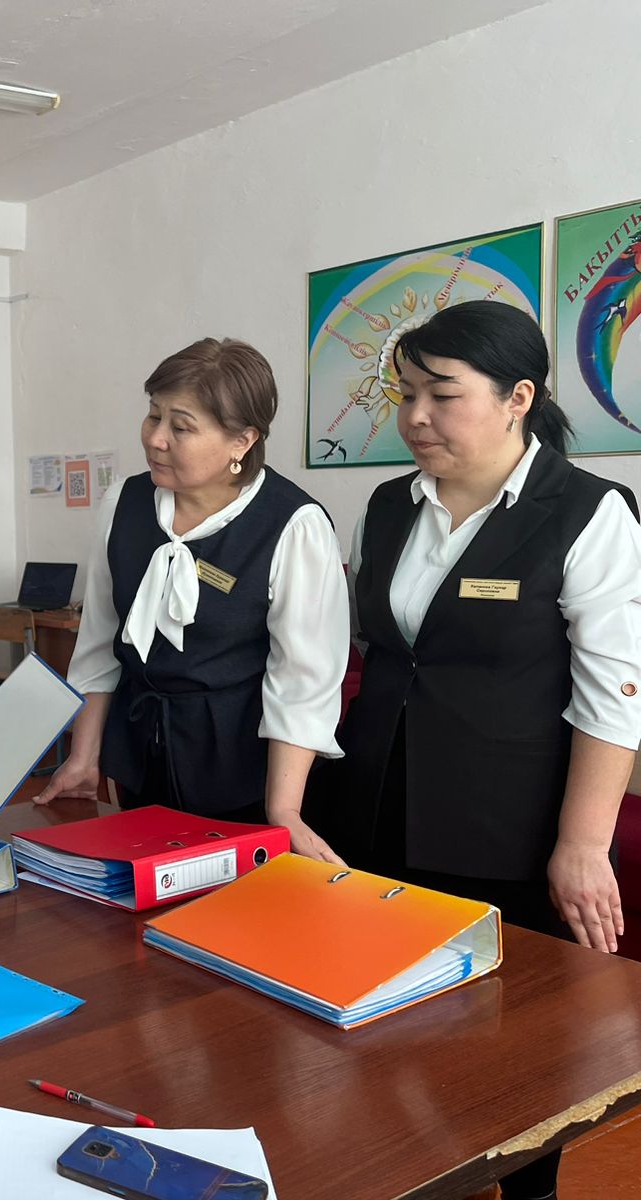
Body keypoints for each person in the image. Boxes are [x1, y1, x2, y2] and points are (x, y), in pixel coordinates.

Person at [322, 300, 641, 1199]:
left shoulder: (587, 512)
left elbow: (614, 695)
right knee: (384, 1029)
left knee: (513, 1055)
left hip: (507, 828)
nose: (415, 417)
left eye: (443, 395)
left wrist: (583, 845)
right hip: (378, 812)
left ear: (518, 398)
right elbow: (379, 652)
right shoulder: (388, 507)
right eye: (406, 394)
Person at [37, 338, 347, 860]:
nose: (156, 439)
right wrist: (84, 756)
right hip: (139, 752)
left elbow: (303, 682)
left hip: (243, 769)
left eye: (180, 427)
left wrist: (284, 811)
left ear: (242, 441)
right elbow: (99, 643)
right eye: (153, 415)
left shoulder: (293, 525)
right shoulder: (124, 503)